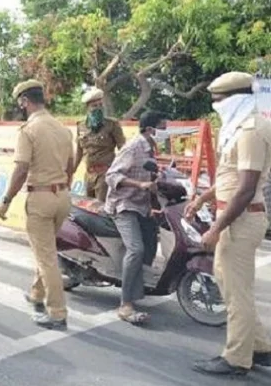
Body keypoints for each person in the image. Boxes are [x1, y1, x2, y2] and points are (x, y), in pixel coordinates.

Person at [185, 71, 271, 376]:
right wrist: (203, 198)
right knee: (232, 285)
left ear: (235, 99)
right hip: (234, 217)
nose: (216, 105)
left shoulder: (251, 130)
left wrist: (216, 228)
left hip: (241, 221)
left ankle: (236, 359)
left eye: (219, 100)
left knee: (236, 293)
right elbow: (229, 177)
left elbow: (246, 189)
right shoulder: (237, 127)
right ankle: (259, 347)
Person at [0, 79, 73, 330]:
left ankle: (57, 313)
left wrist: (6, 200)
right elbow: (70, 166)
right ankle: (36, 294)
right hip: (62, 196)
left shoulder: (29, 131)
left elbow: (21, 170)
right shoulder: (63, 129)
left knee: (46, 258)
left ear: (24, 101)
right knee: (46, 251)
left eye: (20, 102)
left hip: (40, 198)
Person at [103, 111, 165, 325]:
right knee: (136, 249)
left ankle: (138, 285)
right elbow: (111, 176)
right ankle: (125, 303)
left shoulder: (151, 147)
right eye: (163, 128)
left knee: (151, 246)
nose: (165, 132)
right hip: (124, 204)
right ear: (150, 129)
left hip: (142, 205)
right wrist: (139, 185)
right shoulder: (133, 147)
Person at [74, 87, 125, 201]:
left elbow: (123, 149)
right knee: (88, 208)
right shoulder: (81, 126)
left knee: (101, 208)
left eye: (100, 105)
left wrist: (119, 171)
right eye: (94, 106)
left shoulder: (112, 124)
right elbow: (78, 152)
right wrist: (70, 172)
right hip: (89, 175)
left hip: (105, 174)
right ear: (87, 108)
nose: (98, 108)